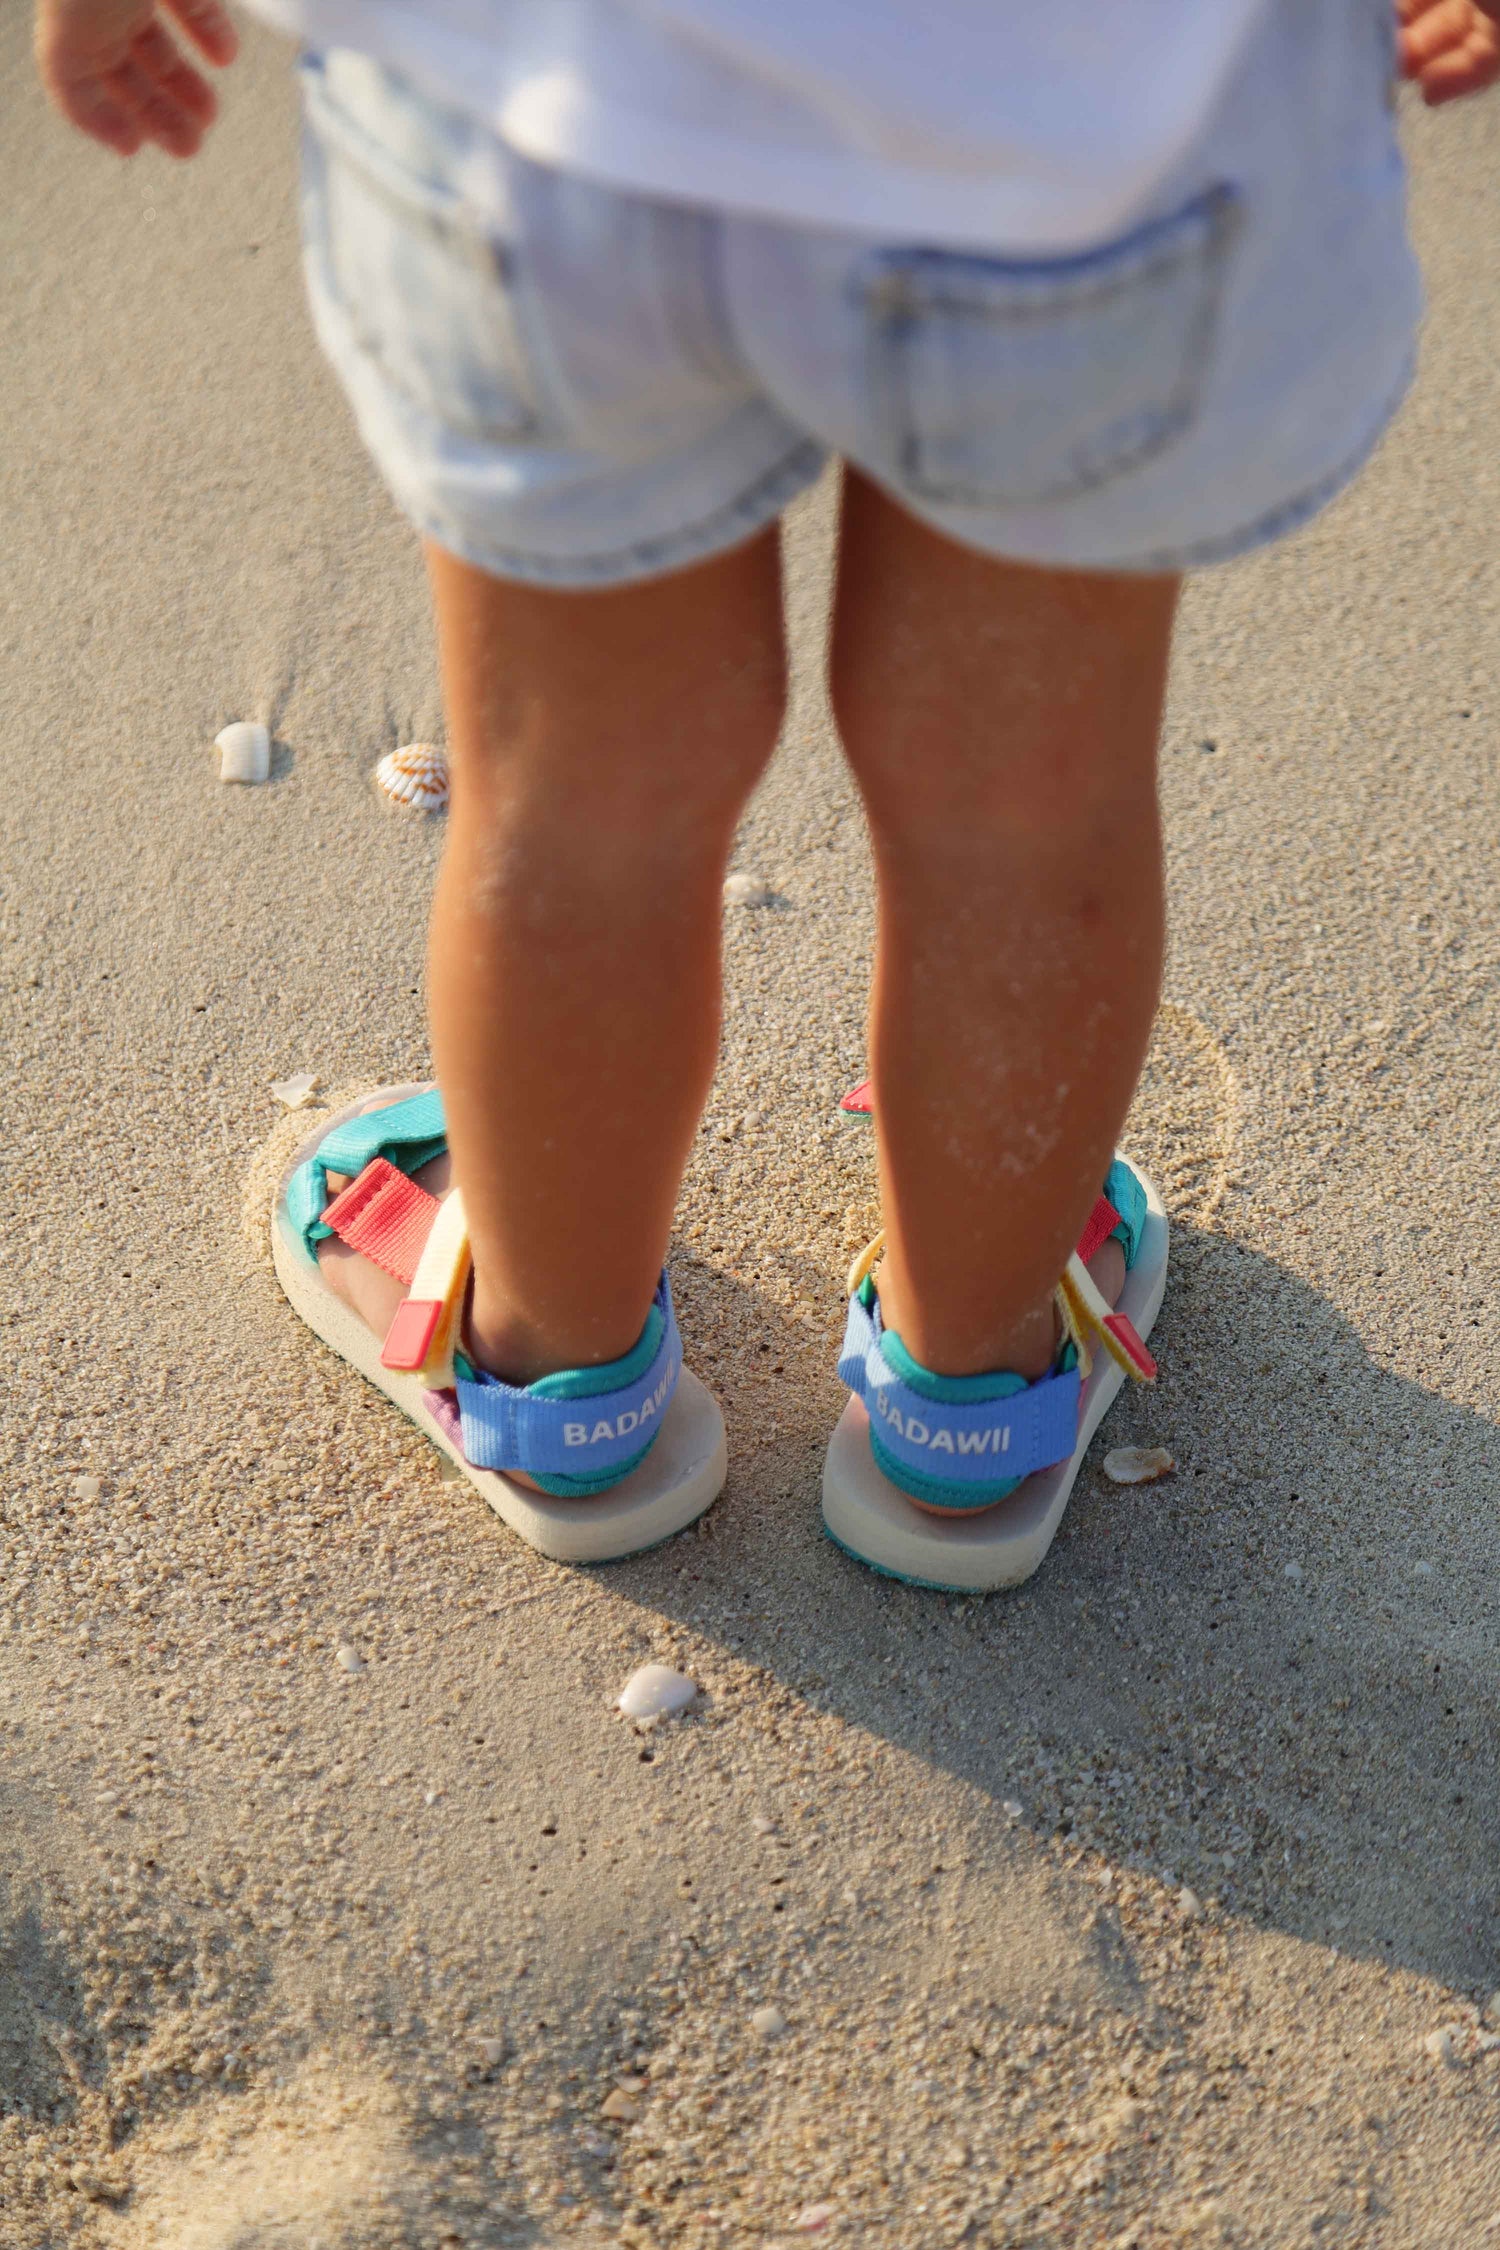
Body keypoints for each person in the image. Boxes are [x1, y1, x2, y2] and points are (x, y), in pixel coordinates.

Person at [33, 0, 1500, 1589]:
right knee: (1022, 805)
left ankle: (564, 1392)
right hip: (1084, 134)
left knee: (582, 798)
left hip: (546, 118)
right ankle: (969, 1408)